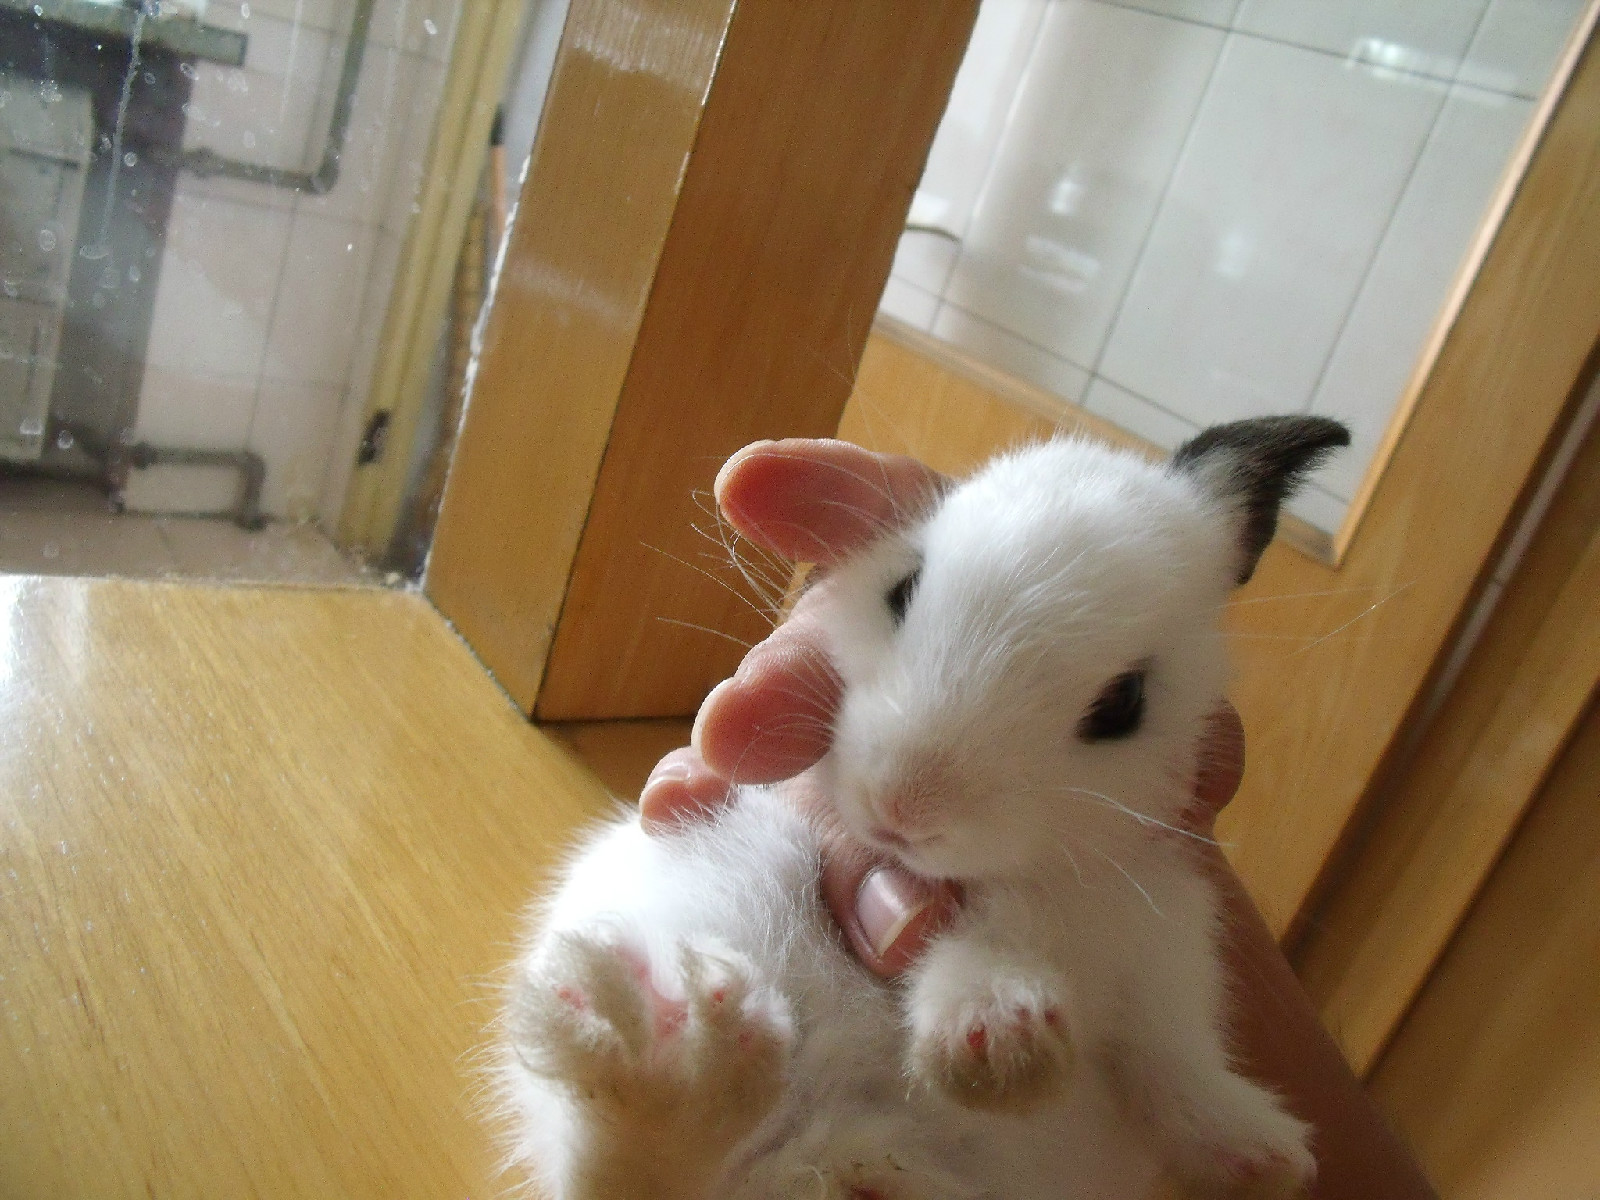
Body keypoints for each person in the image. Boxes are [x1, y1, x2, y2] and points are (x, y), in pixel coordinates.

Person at [636, 438, 1437, 1200]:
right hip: (746, 1088)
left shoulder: (1139, 877)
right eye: (906, 596)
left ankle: (1175, 1084)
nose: (908, 803)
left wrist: (1172, 1074)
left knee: (1144, 915)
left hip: (966, 1145)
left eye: (1112, 708)